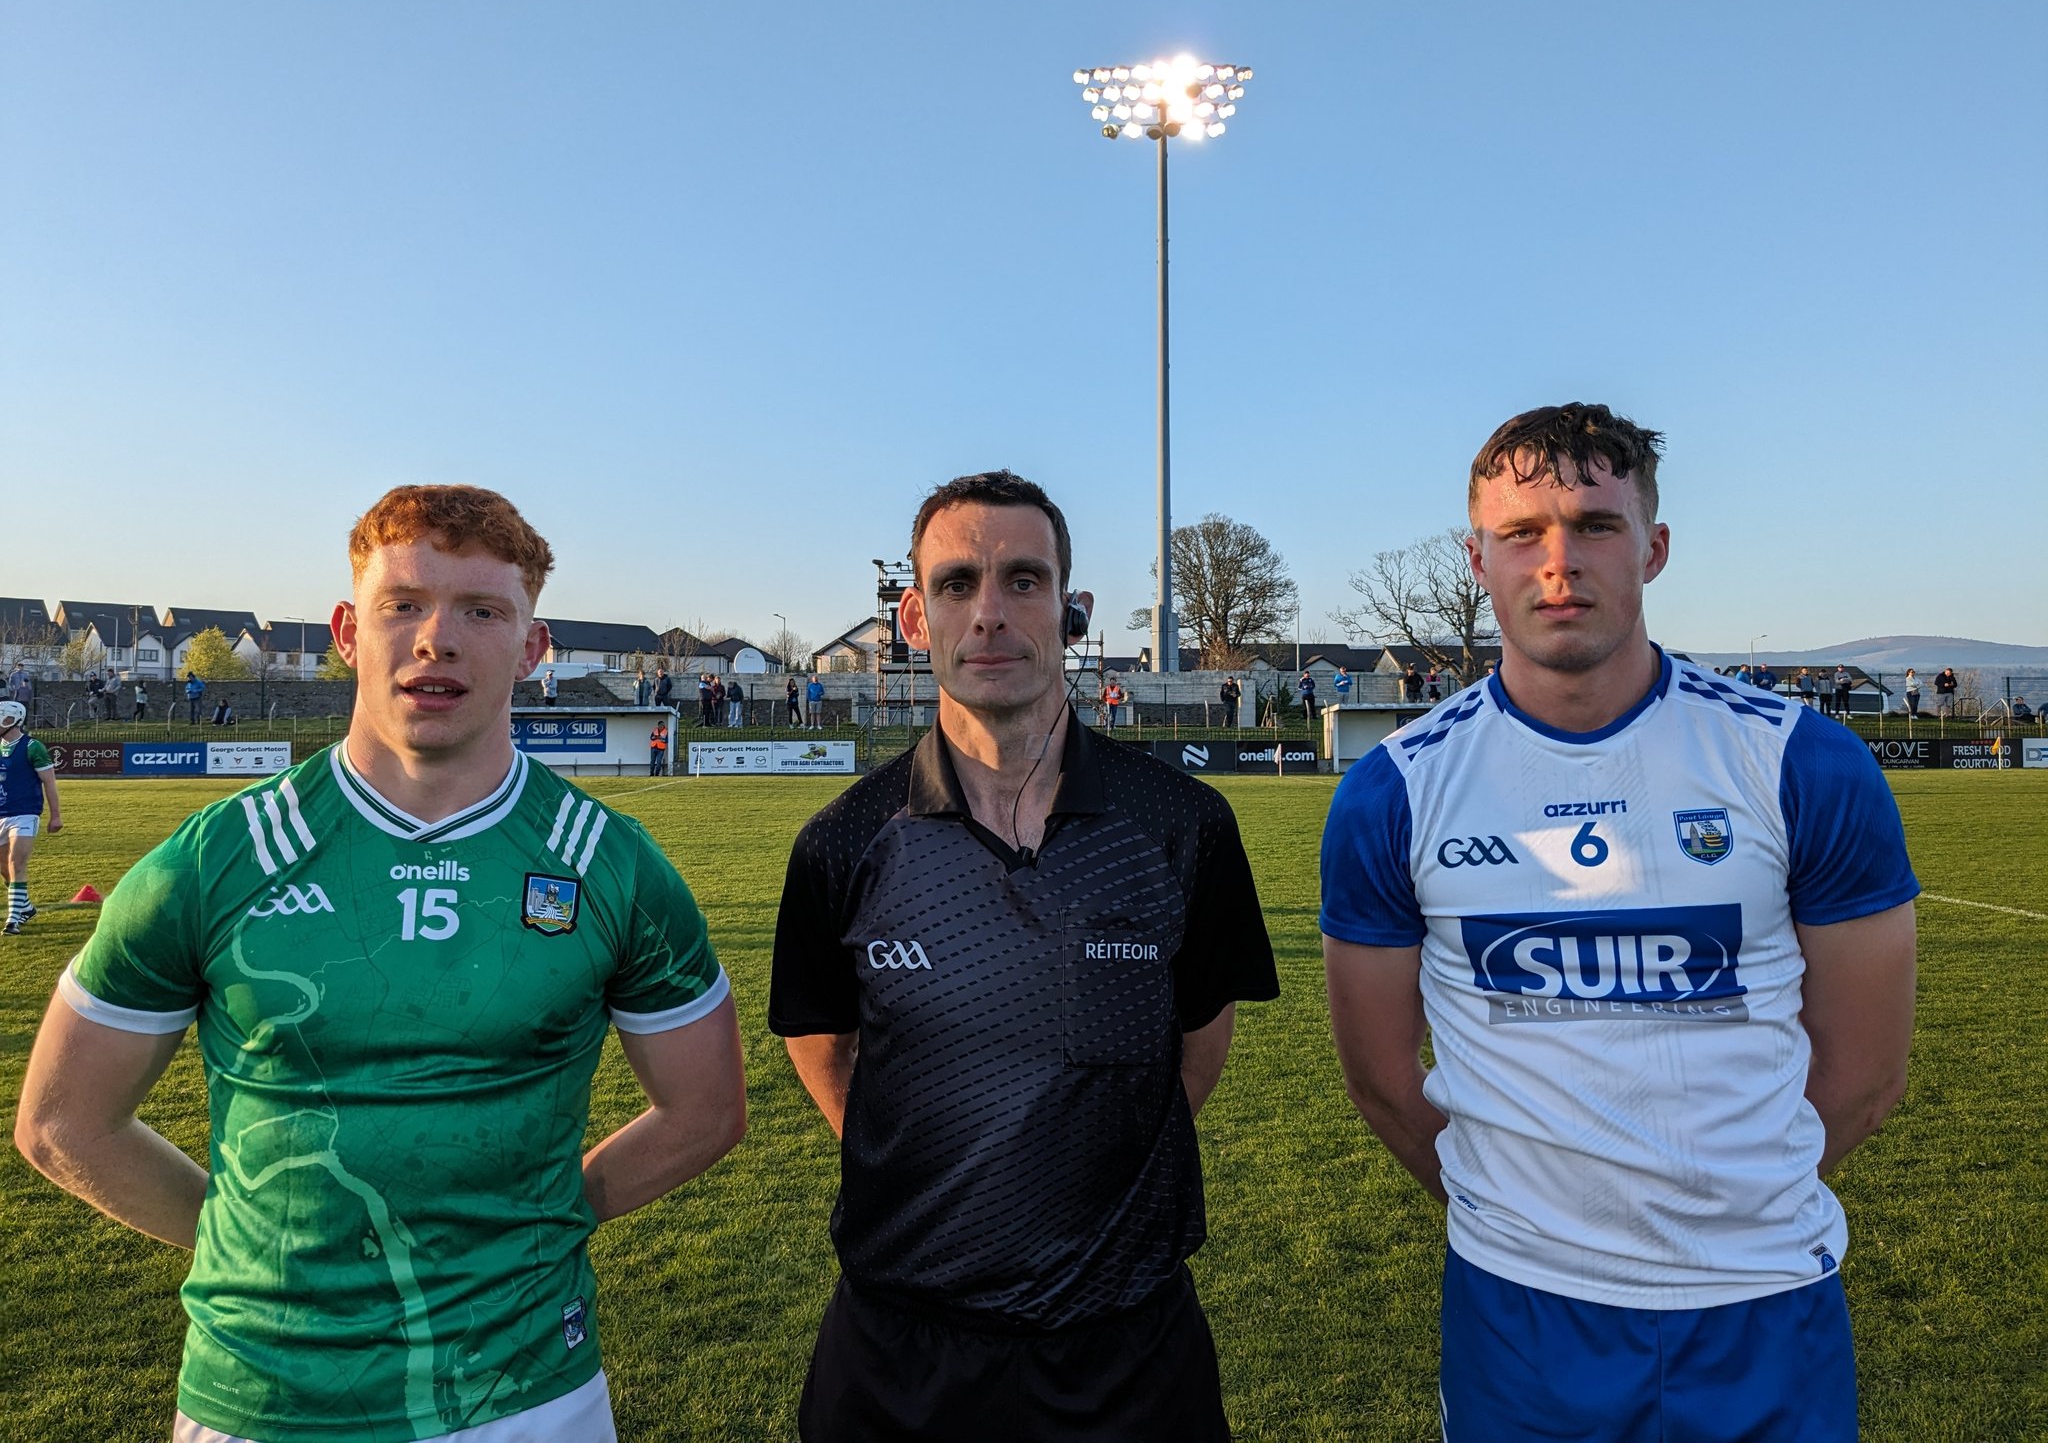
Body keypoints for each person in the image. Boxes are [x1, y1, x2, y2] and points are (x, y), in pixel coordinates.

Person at [15, 484, 746, 1443]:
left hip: (531, 1393)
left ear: (532, 647)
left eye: (481, 611)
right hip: (261, 1398)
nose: (437, 639)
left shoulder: (610, 864)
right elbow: (62, 1121)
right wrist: (247, 1244)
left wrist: (548, 1221)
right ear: (350, 632)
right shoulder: (213, 860)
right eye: (404, 604)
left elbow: (707, 1111)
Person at [1321, 404, 1917, 1443]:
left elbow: (1865, 1075)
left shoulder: (1798, 762)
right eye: (1521, 533)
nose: (1558, 563)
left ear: (1653, 546)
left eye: (1595, 524)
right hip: (1520, 1316)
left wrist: (1722, 1204)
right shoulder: (1395, 791)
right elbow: (1378, 1078)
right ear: (1477, 558)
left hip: (1763, 1301)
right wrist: (1523, 1217)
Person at [770, 470, 1279, 1442]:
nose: (989, 613)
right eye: (957, 583)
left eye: (1023, 580)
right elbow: (821, 1043)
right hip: (898, 1356)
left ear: (1069, 610)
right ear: (914, 618)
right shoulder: (842, 841)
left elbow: (1194, 1045)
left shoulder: (1183, 826)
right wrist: (927, 1153)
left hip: (1127, 1353)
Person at [0, 699, 61, 935]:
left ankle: (13, 920)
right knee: (5, 866)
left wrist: (55, 816)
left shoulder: (33, 747)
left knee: (16, 862)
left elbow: (49, 782)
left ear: (12, 719)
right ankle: (25, 907)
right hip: (1, 814)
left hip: (25, 814)